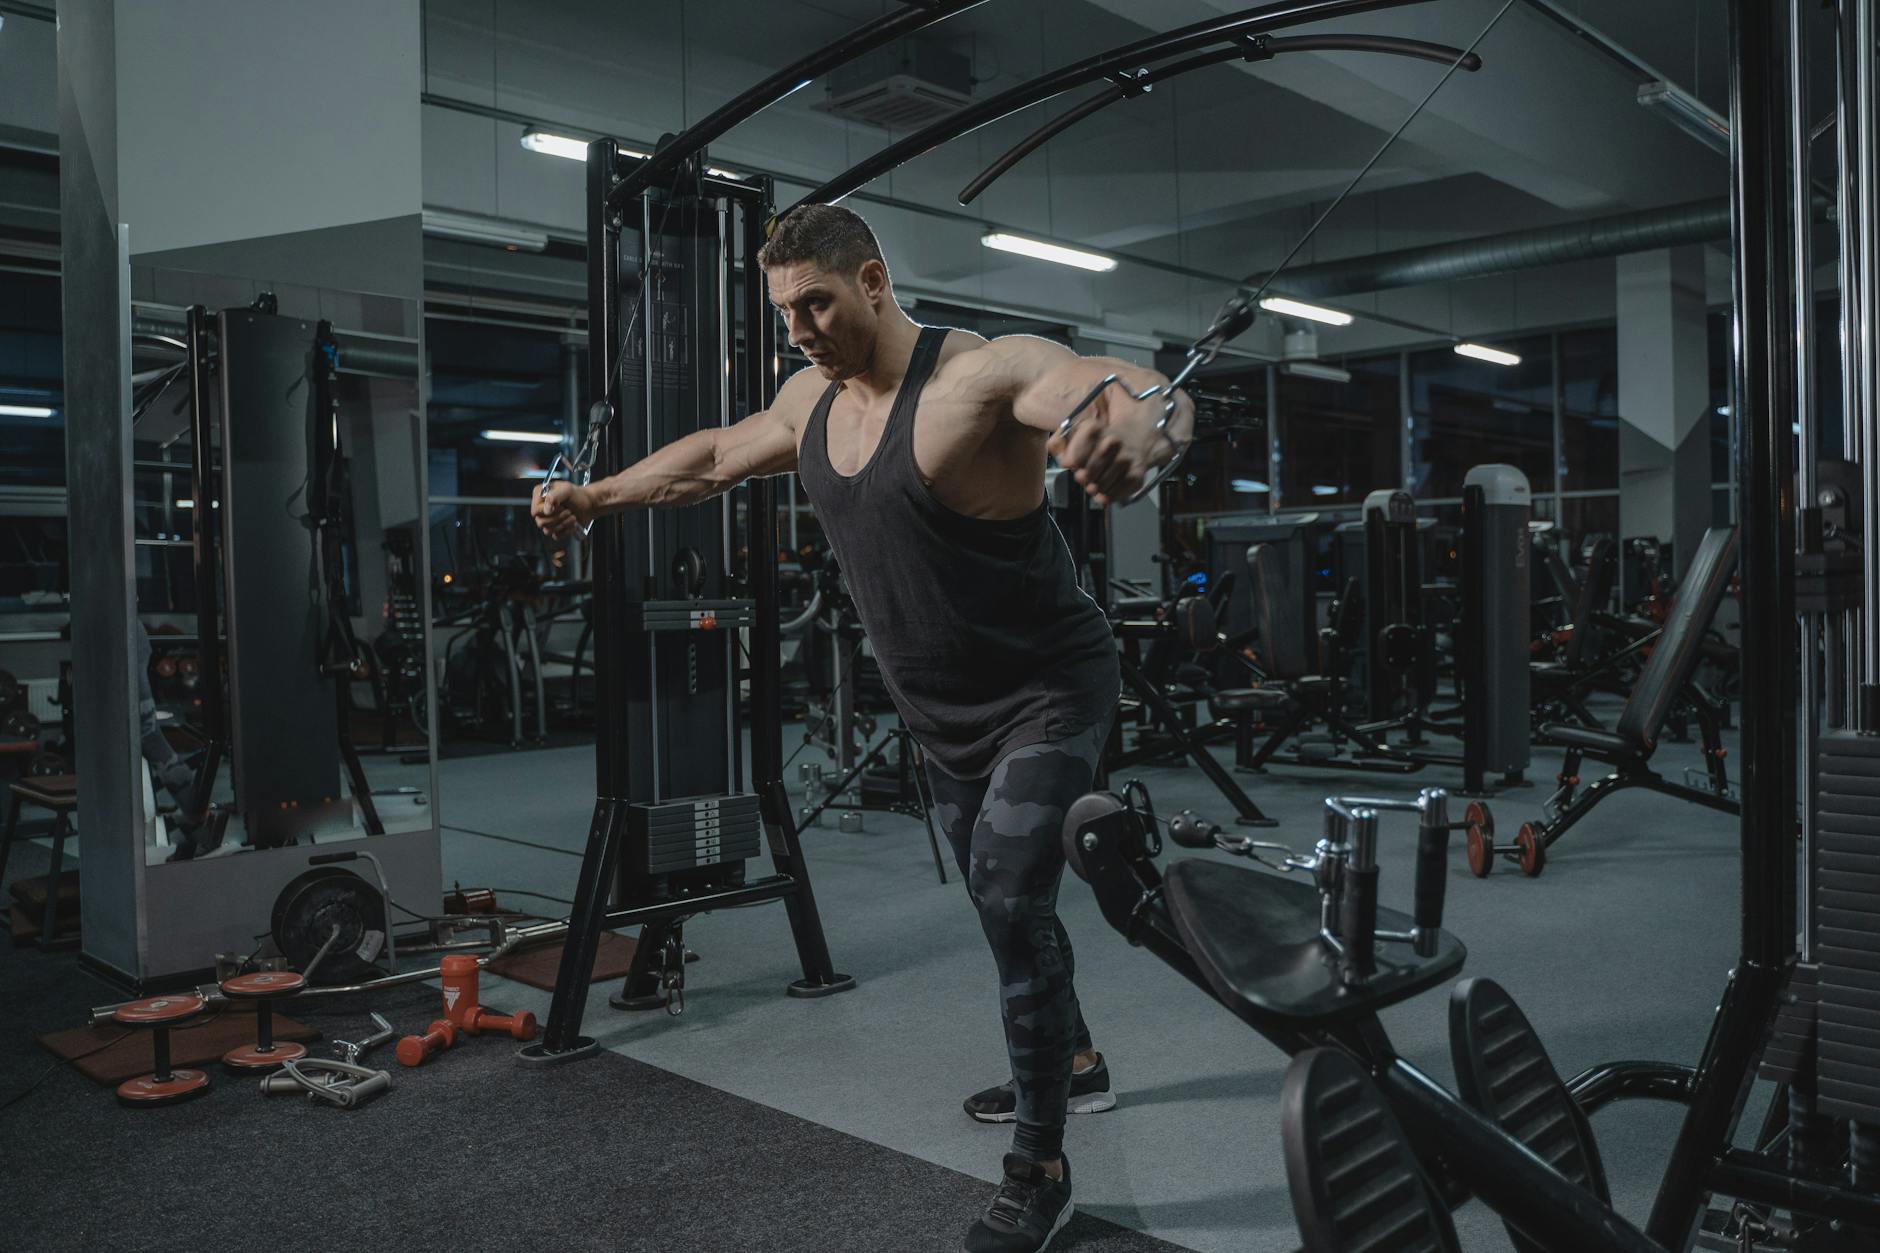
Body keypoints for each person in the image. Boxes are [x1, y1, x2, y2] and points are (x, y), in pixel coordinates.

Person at [533, 203, 1192, 1253]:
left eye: (816, 302)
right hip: (938, 711)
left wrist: (1146, 418)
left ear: (873, 280)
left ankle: (1039, 1165)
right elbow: (709, 456)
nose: (798, 327)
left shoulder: (969, 376)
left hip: (1046, 691)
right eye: (784, 310)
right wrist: (593, 496)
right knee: (998, 905)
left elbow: (1087, 381)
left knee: (1011, 892)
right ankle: (1073, 1057)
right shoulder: (808, 397)